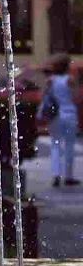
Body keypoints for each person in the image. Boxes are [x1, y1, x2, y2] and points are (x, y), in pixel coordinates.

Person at [39, 54, 80, 187]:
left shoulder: (50, 80)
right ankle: (68, 176)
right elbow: (76, 97)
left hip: (55, 115)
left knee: (55, 145)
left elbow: (44, 96)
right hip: (69, 114)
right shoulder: (70, 80)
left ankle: (56, 175)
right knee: (69, 145)